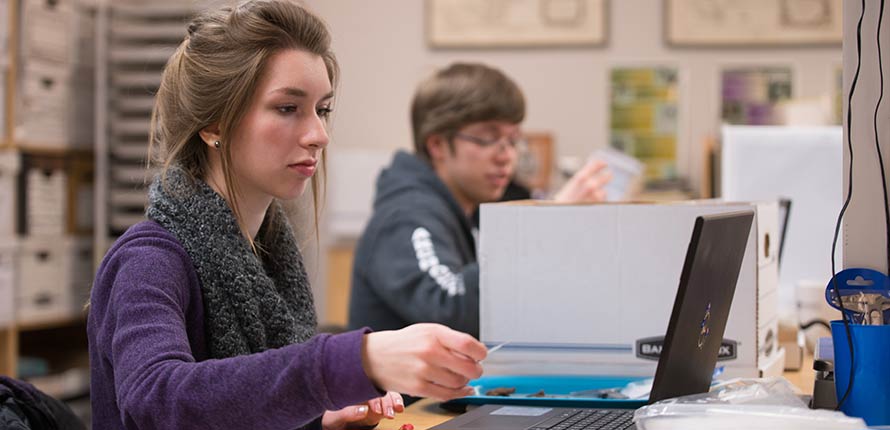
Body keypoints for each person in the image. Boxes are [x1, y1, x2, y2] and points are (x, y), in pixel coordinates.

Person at [86, 2, 487, 429]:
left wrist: (320, 419)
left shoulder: (268, 255)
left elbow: (240, 408)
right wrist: (358, 359)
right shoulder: (147, 260)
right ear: (215, 124)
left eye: (322, 109)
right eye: (287, 108)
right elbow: (155, 401)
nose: (319, 135)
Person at [348, 63, 612, 339]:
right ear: (437, 145)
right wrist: (549, 219)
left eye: (512, 140)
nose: (506, 155)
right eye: (488, 137)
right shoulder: (406, 215)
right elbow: (450, 311)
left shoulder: (467, 210)